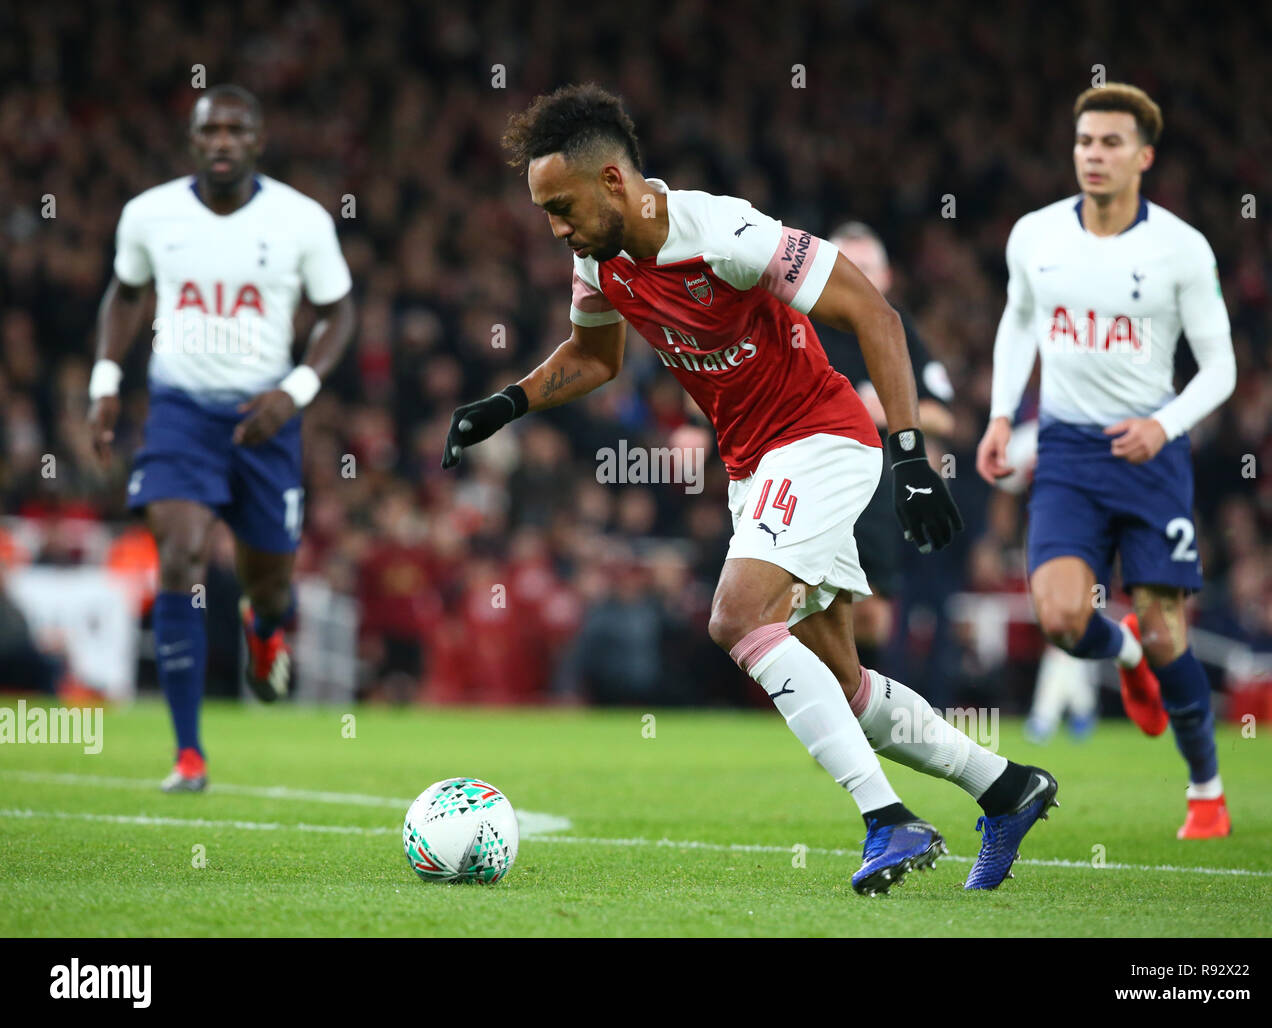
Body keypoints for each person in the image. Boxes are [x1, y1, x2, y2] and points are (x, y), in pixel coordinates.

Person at [445, 83, 1057, 893]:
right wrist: (508, 402)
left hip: (822, 439)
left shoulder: (724, 233)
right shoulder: (594, 257)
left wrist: (908, 454)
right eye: (546, 212)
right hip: (754, 464)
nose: (556, 228)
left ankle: (889, 821)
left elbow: (873, 312)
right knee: (839, 679)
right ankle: (1006, 788)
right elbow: (595, 358)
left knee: (735, 617)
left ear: (614, 182)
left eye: (562, 206)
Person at [976, 83, 1236, 838]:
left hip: (1151, 454)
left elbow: (1219, 369)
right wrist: (999, 415)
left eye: (1112, 143)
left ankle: (1206, 788)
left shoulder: (1181, 249)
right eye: (1086, 141)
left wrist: (1164, 424)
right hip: (1066, 447)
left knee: (1168, 632)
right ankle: (1120, 653)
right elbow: (1018, 320)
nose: (1095, 154)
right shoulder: (1035, 235)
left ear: (1144, 157)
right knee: (1060, 618)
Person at [87, 85, 356, 792]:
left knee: (269, 583)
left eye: (238, 130)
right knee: (179, 553)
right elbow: (125, 291)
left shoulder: (300, 219)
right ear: (194, 141)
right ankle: (188, 754)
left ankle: (265, 630)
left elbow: (338, 313)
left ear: (258, 140)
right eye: (212, 130)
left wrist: (294, 392)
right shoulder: (150, 215)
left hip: (266, 417)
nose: (224, 141)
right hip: (180, 412)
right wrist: (106, 380)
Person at [817, 222, 955, 673]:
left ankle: (866, 702)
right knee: (806, 602)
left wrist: (885, 412)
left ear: (888, 276)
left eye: (867, 267)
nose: (857, 276)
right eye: (847, 265)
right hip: (810, 473)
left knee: (873, 611)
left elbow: (943, 415)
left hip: (876, 482)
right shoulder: (801, 322)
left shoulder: (896, 330)